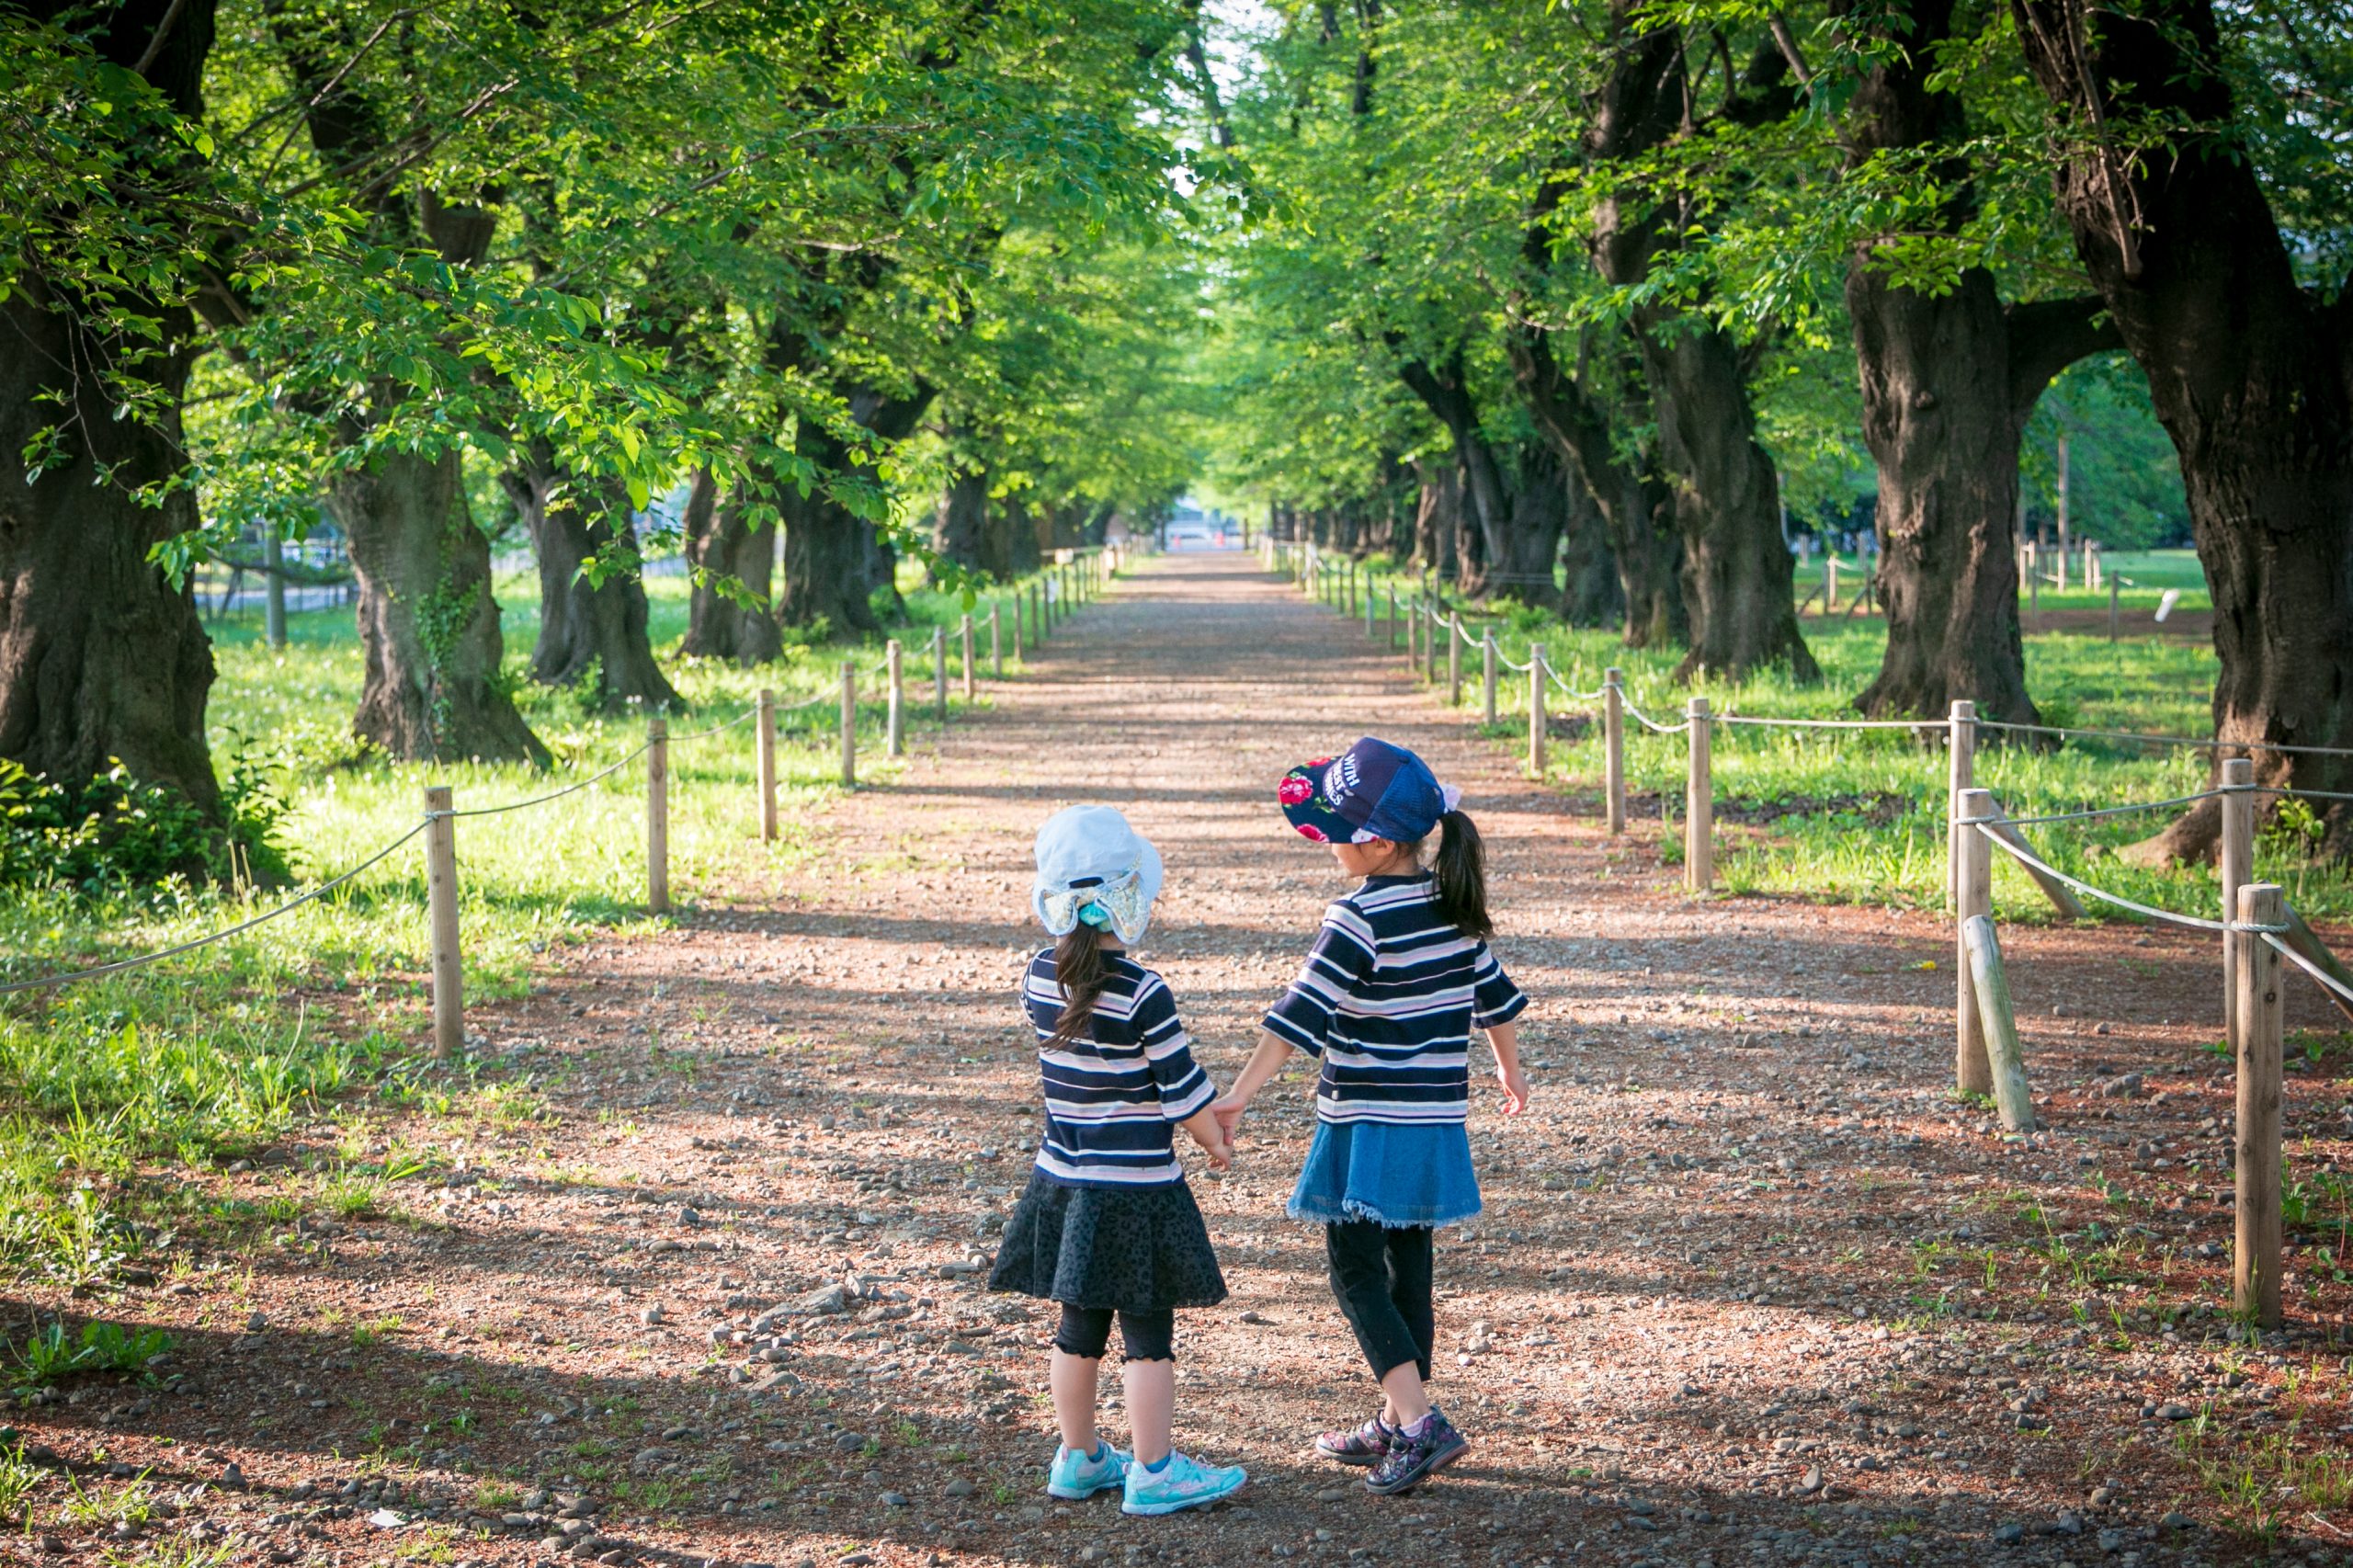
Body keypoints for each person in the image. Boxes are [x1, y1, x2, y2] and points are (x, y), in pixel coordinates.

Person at [1212, 738, 1529, 1495]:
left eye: (1336, 829)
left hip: (1367, 1124)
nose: (1326, 844)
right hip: (1431, 1125)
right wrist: (1508, 1068)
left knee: (1355, 1273)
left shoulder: (1356, 917)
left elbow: (1299, 1015)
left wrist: (1239, 1094)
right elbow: (1497, 999)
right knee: (1406, 1271)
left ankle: (1421, 1425)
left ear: (1378, 842)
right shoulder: (1449, 906)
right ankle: (1397, 1416)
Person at [988, 805, 1249, 1517]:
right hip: (1135, 1190)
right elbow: (1183, 1087)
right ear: (1129, 900)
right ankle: (1155, 1470)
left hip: (1065, 1183)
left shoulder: (1038, 978)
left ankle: (1077, 1458)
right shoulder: (1143, 990)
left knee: (1078, 1327)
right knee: (1147, 1335)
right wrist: (1215, 1141)